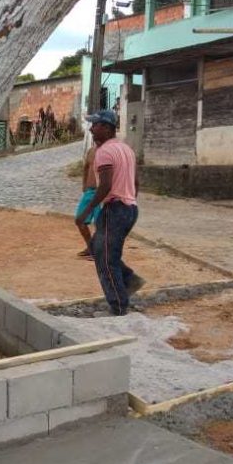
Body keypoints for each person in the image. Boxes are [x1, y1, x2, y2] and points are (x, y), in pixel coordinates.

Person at [78, 109, 145, 316]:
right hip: (129, 208)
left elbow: (105, 185)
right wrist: (129, 202)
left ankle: (118, 306)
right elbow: (136, 183)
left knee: (106, 259)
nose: (91, 128)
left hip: (115, 209)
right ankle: (129, 280)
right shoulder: (126, 149)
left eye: (95, 125)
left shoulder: (104, 152)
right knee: (100, 251)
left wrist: (87, 212)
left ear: (106, 128)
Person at [74, 141, 100, 260]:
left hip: (103, 194)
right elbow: (85, 168)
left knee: (100, 224)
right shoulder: (91, 151)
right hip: (89, 192)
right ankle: (91, 247)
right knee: (80, 220)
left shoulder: (111, 152)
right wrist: (84, 184)